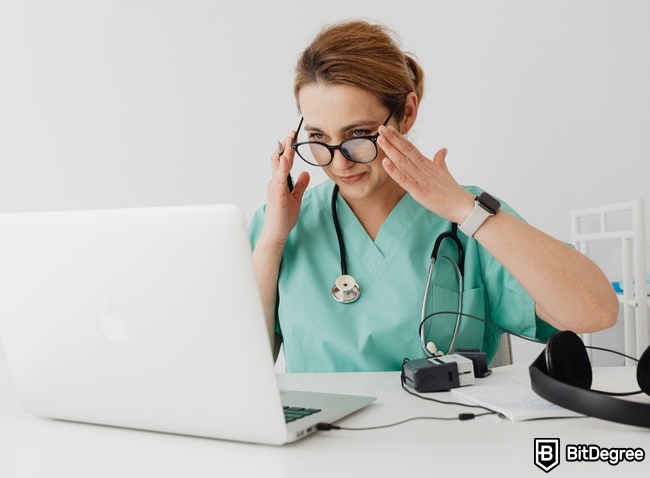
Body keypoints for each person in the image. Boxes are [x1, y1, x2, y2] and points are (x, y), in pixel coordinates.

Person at [249, 19, 618, 373]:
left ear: (406, 113)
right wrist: (272, 240)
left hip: (446, 434)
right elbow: (239, 365)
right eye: (317, 138)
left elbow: (596, 311)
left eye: (358, 133)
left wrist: (465, 210)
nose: (340, 161)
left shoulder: (469, 216)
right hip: (322, 436)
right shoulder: (282, 222)